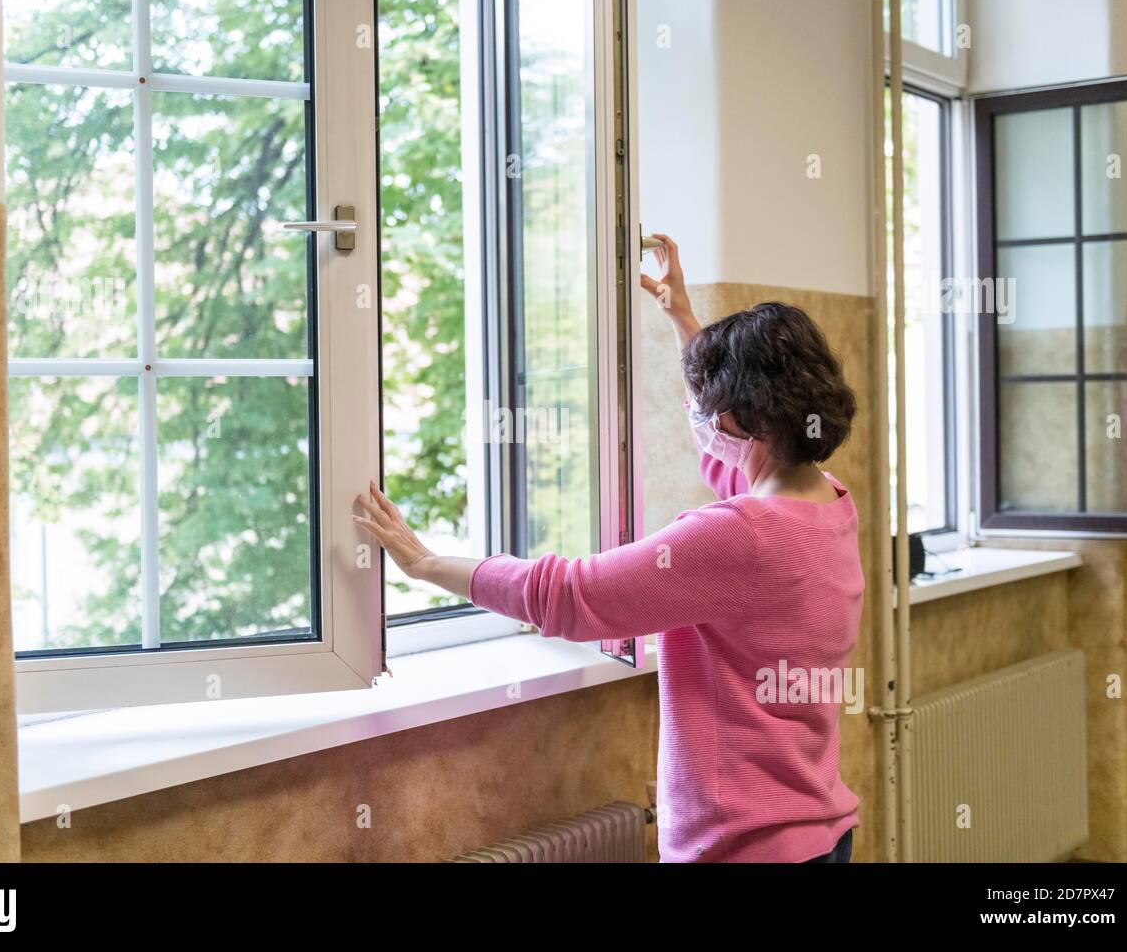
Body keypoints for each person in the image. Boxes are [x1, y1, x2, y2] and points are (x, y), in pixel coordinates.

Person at [354, 235, 863, 862]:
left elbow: (571, 595)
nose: (703, 423)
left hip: (748, 847)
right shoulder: (829, 503)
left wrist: (426, 563)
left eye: (711, 410)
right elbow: (730, 455)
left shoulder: (736, 535)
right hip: (821, 833)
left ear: (733, 420)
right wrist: (683, 319)